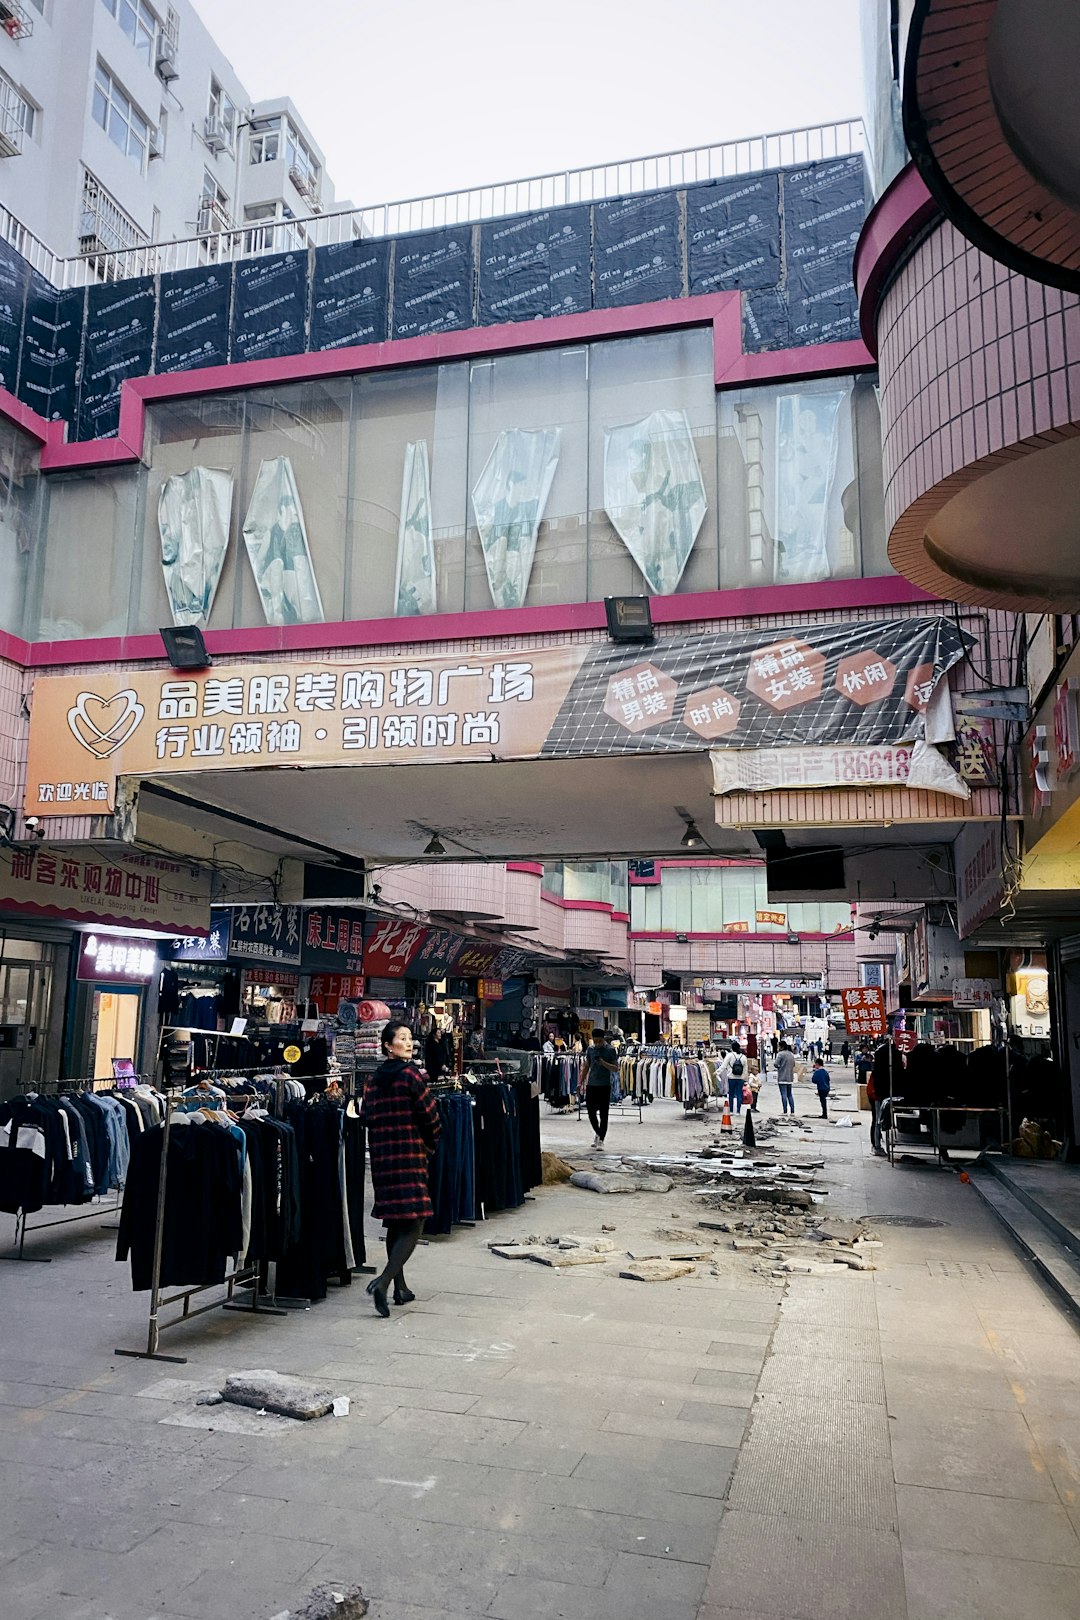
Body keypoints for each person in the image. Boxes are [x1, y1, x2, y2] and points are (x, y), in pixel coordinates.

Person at [361, 1020, 440, 1318]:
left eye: (410, 1038)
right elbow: (430, 1115)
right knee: (415, 1220)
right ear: (387, 1045)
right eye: (402, 1039)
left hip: (383, 1158)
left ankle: (400, 1288)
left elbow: (366, 1116)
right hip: (409, 1155)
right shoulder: (411, 1075)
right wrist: (429, 1145)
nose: (409, 1043)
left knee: (396, 1220)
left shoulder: (373, 1080)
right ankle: (382, 1282)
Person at [585, 1028, 619, 1148]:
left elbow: (616, 1068)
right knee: (590, 1112)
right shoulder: (590, 1049)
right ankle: (598, 1133)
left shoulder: (610, 1050)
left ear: (603, 1038)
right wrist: (581, 1082)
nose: (597, 1043)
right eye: (595, 1040)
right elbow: (586, 1066)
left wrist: (603, 1062)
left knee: (604, 1114)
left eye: (599, 1040)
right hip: (591, 1085)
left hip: (604, 1085)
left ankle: (601, 1139)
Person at [723, 1042, 746, 1115]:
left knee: (731, 1094)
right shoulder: (743, 1056)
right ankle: (738, 1111)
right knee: (739, 1094)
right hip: (741, 1078)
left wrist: (717, 1072)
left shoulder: (729, 1055)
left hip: (731, 1077)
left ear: (732, 1048)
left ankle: (732, 1111)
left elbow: (724, 1066)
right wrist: (745, 1079)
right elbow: (745, 1069)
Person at [775, 1041, 796, 1115]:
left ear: (781, 1046)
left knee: (783, 1094)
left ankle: (785, 1111)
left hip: (782, 1077)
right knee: (789, 1094)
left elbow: (776, 1064)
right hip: (790, 1077)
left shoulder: (780, 1054)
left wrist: (780, 1067)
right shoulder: (791, 1054)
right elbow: (793, 1064)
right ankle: (792, 1111)